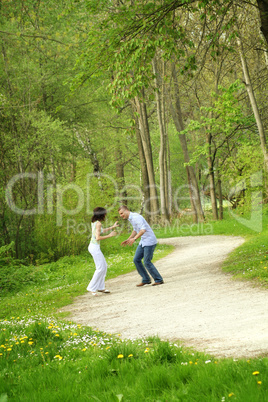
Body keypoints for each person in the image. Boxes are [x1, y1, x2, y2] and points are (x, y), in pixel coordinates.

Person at [118, 205, 164, 287]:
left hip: (149, 241)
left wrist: (134, 239)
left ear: (126, 210)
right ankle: (146, 279)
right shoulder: (130, 218)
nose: (121, 215)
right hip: (143, 241)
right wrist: (129, 239)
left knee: (147, 262)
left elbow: (143, 230)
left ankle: (158, 279)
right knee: (136, 259)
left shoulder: (136, 217)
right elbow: (135, 230)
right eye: (120, 214)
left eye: (122, 213)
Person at [87, 207, 118, 296]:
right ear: (102, 214)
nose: (105, 215)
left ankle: (100, 287)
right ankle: (91, 288)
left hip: (94, 247)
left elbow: (101, 231)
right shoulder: (98, 223)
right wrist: (110, 235)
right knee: (100, 268)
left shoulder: (95, 222)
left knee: (104, 266)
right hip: (94, 247)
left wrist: (112, 227)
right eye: (105, 213)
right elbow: (98, 237)